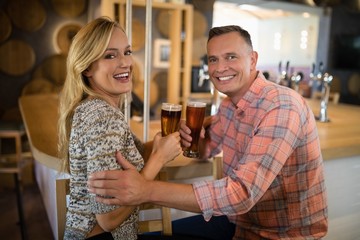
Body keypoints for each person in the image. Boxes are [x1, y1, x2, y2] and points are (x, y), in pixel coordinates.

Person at [87, 25, 328, 239]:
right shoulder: (229, 106)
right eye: (213, 59)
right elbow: (204, 151)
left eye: (230, 57)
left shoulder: (280, 106)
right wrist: (191, 137)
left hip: (283, 235)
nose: (220, 68)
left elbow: (241, 194)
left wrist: (144, 190)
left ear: (253, 60)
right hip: (241, 225)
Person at [57, 17, 181, 240]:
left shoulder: (94, 109)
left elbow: (128, 156)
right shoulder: (102, 116)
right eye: (110, 55)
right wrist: (159, 159)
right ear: (87, 68)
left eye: (127, 52)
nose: (126, 63)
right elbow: (109, 219)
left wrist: (167, 142)